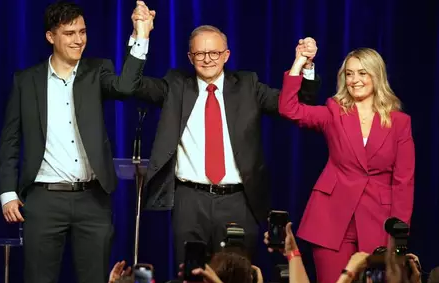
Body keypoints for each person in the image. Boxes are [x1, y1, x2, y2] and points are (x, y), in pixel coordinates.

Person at [0, 0, 154, 283]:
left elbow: (126, 87)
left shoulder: (97, 71)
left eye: (82, 32)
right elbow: (10, 139)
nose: (78, 39)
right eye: (69, 33)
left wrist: (141, 34)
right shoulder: (26, 81)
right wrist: (8, 193)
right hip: (43, 199)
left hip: (92, 201)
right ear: (50, 36)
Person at [130, 4, 321, 264]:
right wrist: (141, 36)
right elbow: (131, 86)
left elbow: (298, 107)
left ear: (227, 55)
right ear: (189, 57)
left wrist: (303, 65)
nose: (208, 59)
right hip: (189, 200)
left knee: (237, 281)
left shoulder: (248, 86)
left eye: (214, 53)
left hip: (238, 201)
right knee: (190, 279)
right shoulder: (175, 85)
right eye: (200, 53)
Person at [278, 42, 415, 283]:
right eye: (349, 74)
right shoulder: (334, 111)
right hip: (331, 219)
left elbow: (404, 181)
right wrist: (299, 63)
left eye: (362, 73)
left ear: (376, 76)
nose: (355, 80)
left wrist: (399, 235)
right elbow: (289, 109)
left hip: (378, 220)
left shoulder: (399, 122)